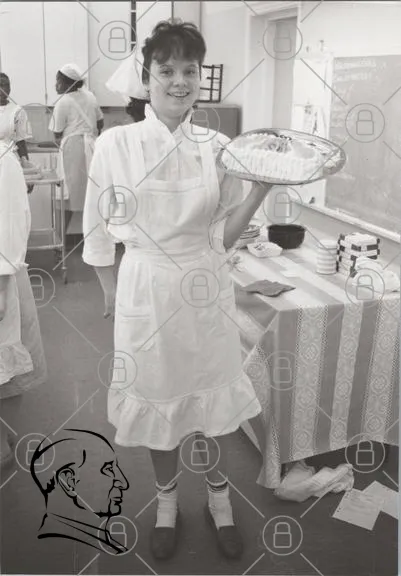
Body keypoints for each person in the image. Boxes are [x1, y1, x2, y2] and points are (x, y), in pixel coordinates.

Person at [83, 20, 275, 561]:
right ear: (147, 77)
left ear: (200, 78)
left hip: (205, 287)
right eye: (166, 70)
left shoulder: (218, 147)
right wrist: (109, 291)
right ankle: (167, 502)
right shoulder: (116, 144)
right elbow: (97, 228)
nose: (179, 81)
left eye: (190, 70)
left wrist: (259, 190)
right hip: (145, 290)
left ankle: (219, 499)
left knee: (211, 406)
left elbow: (222, 237)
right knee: (158, 403)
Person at [0, 138, 47, 466]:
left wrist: (1, 286)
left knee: (6, 370)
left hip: (1, 275)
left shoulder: (3, 158)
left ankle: (1, 440)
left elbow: (11, 221)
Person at [31, 429, 129, 554]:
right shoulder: (59, 553)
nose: (123, 483)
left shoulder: (108, 546)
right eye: (108, 469)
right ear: (69, 481)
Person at [49, 64, 104, 234]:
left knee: (66, 194)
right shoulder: (91, 97)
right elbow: (100, 122)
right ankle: (95, 238)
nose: (56, 85)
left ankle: (60, 239)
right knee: (93, 193)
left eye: (58, 81)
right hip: (92, 147)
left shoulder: (63, 102)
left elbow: (57, 132)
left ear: (68, 83)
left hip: (73, 149)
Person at [0, 72, 34, 193]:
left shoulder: (17, 111)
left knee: (9, 197)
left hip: (10, 161)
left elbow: (21, 142)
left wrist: (28, 176)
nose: (2, 89)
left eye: (5, 85)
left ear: (9, 88)